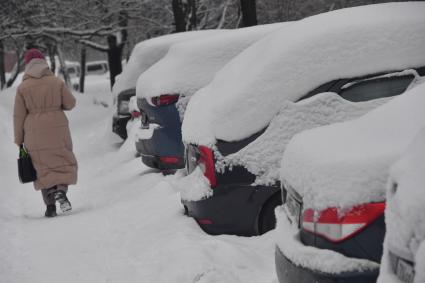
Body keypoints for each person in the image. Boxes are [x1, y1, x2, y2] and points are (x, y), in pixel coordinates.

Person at [13, 48, 78, 217]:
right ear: (44, 62)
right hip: (58, 127)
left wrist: (19, 139)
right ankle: (61, 191)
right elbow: (70, 103)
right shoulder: (56, 82)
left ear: (27, 65)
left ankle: (50, 207)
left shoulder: (23, 87)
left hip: (33, 131)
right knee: (63, 160)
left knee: (42, 167)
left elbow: (18, 116)